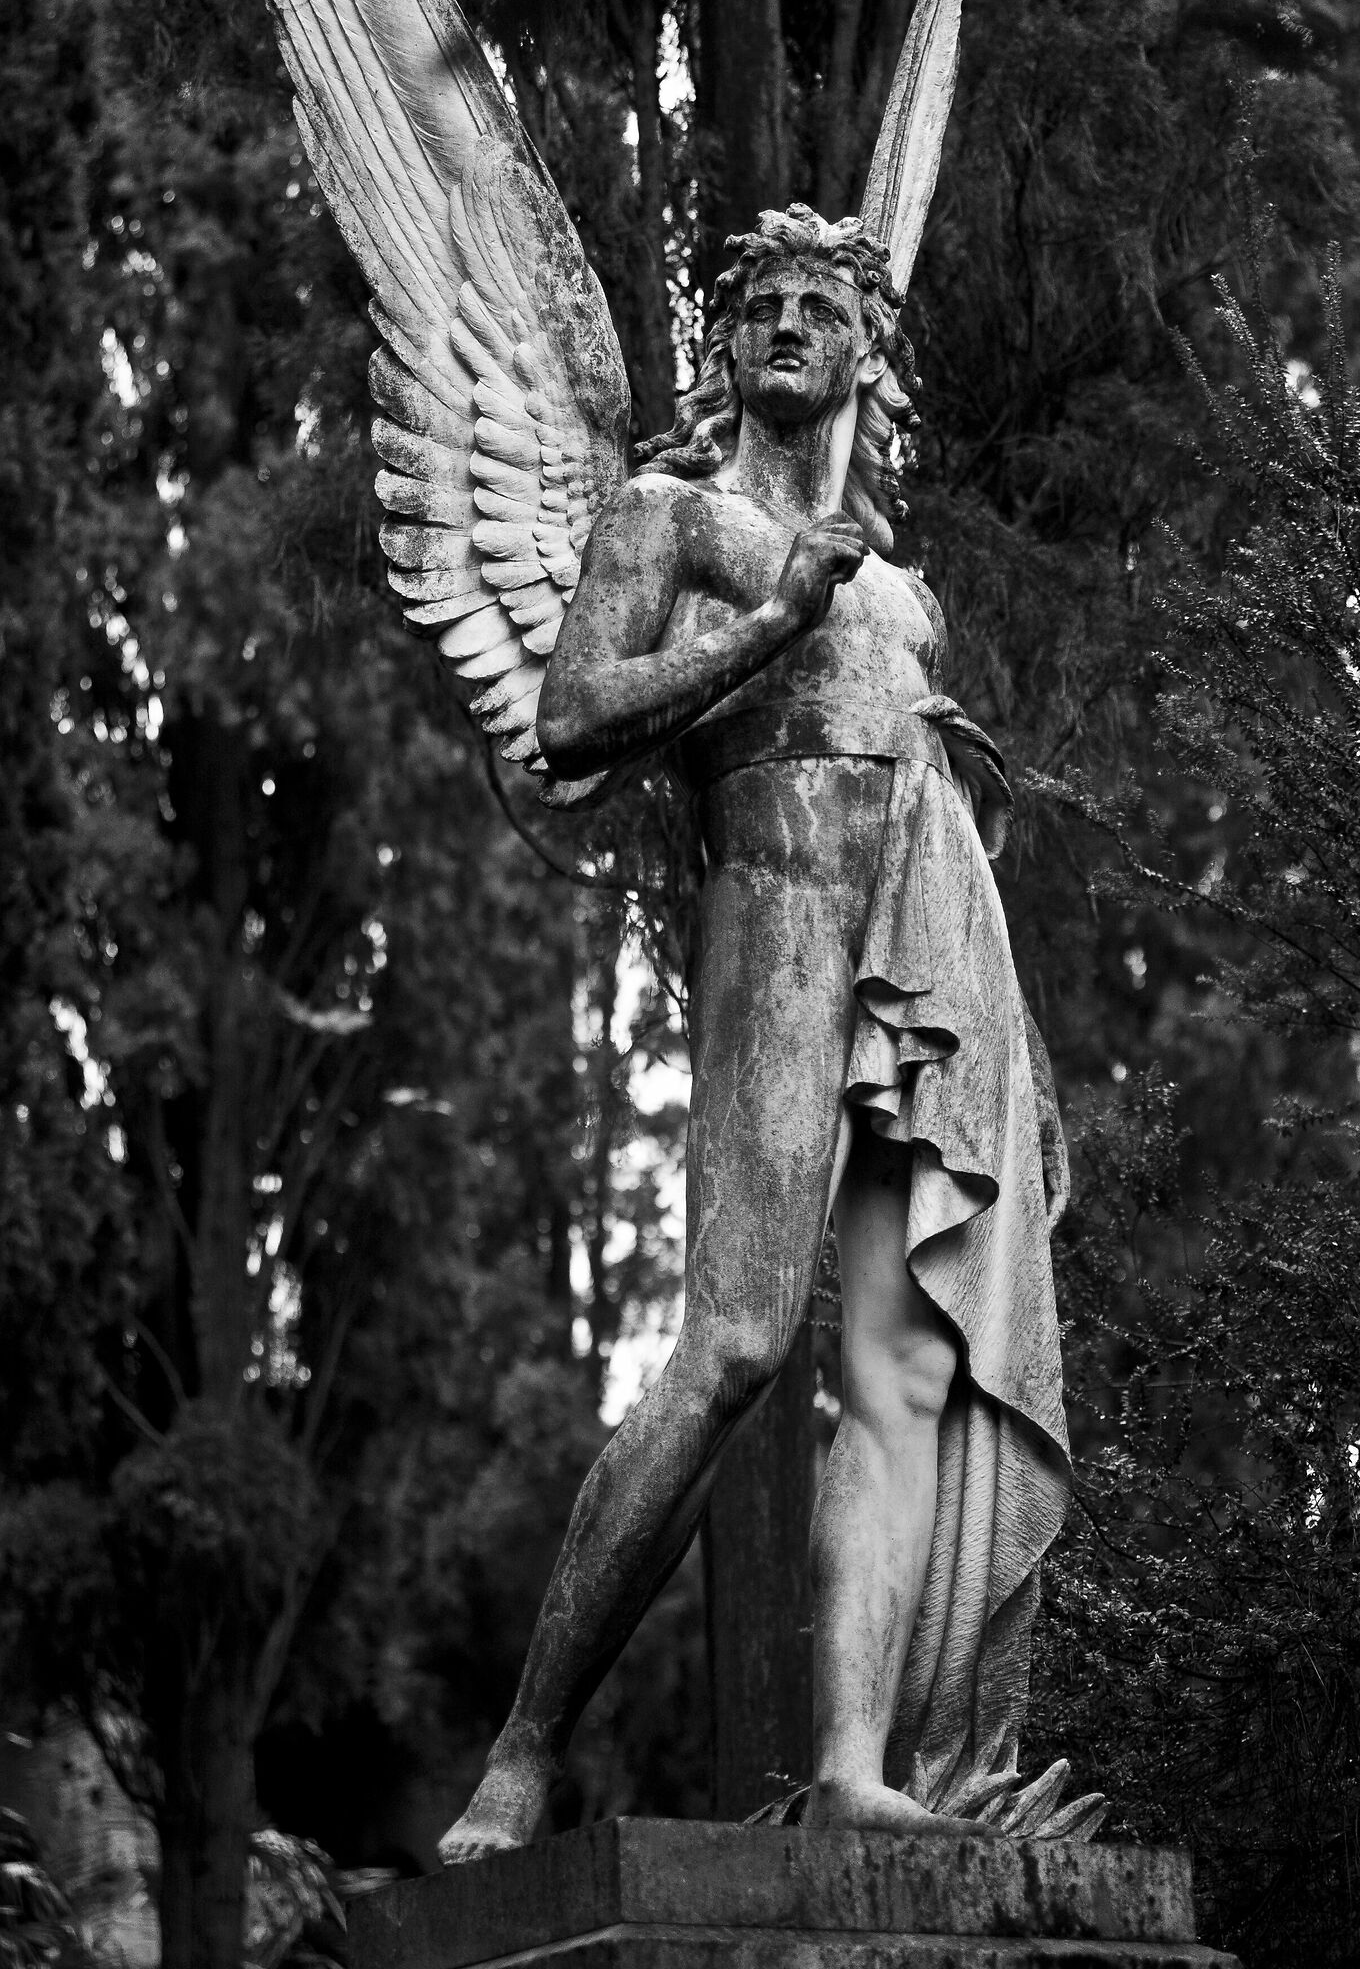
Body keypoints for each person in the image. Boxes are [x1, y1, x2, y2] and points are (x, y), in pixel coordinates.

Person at [440, 207, 1075, 1862]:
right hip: (778, 914)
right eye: (760, 305)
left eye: (823, 305)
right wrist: (771, 622)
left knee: (902, 1364)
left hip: (930, 946)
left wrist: (1022, 1075)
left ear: (867, 350)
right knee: (731, 1347)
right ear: (726, 347)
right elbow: (572, 721)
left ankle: (858, 1762)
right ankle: (521, 1749)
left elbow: (937, 790)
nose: (789, 323)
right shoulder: (674, 517)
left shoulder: (907, 590)